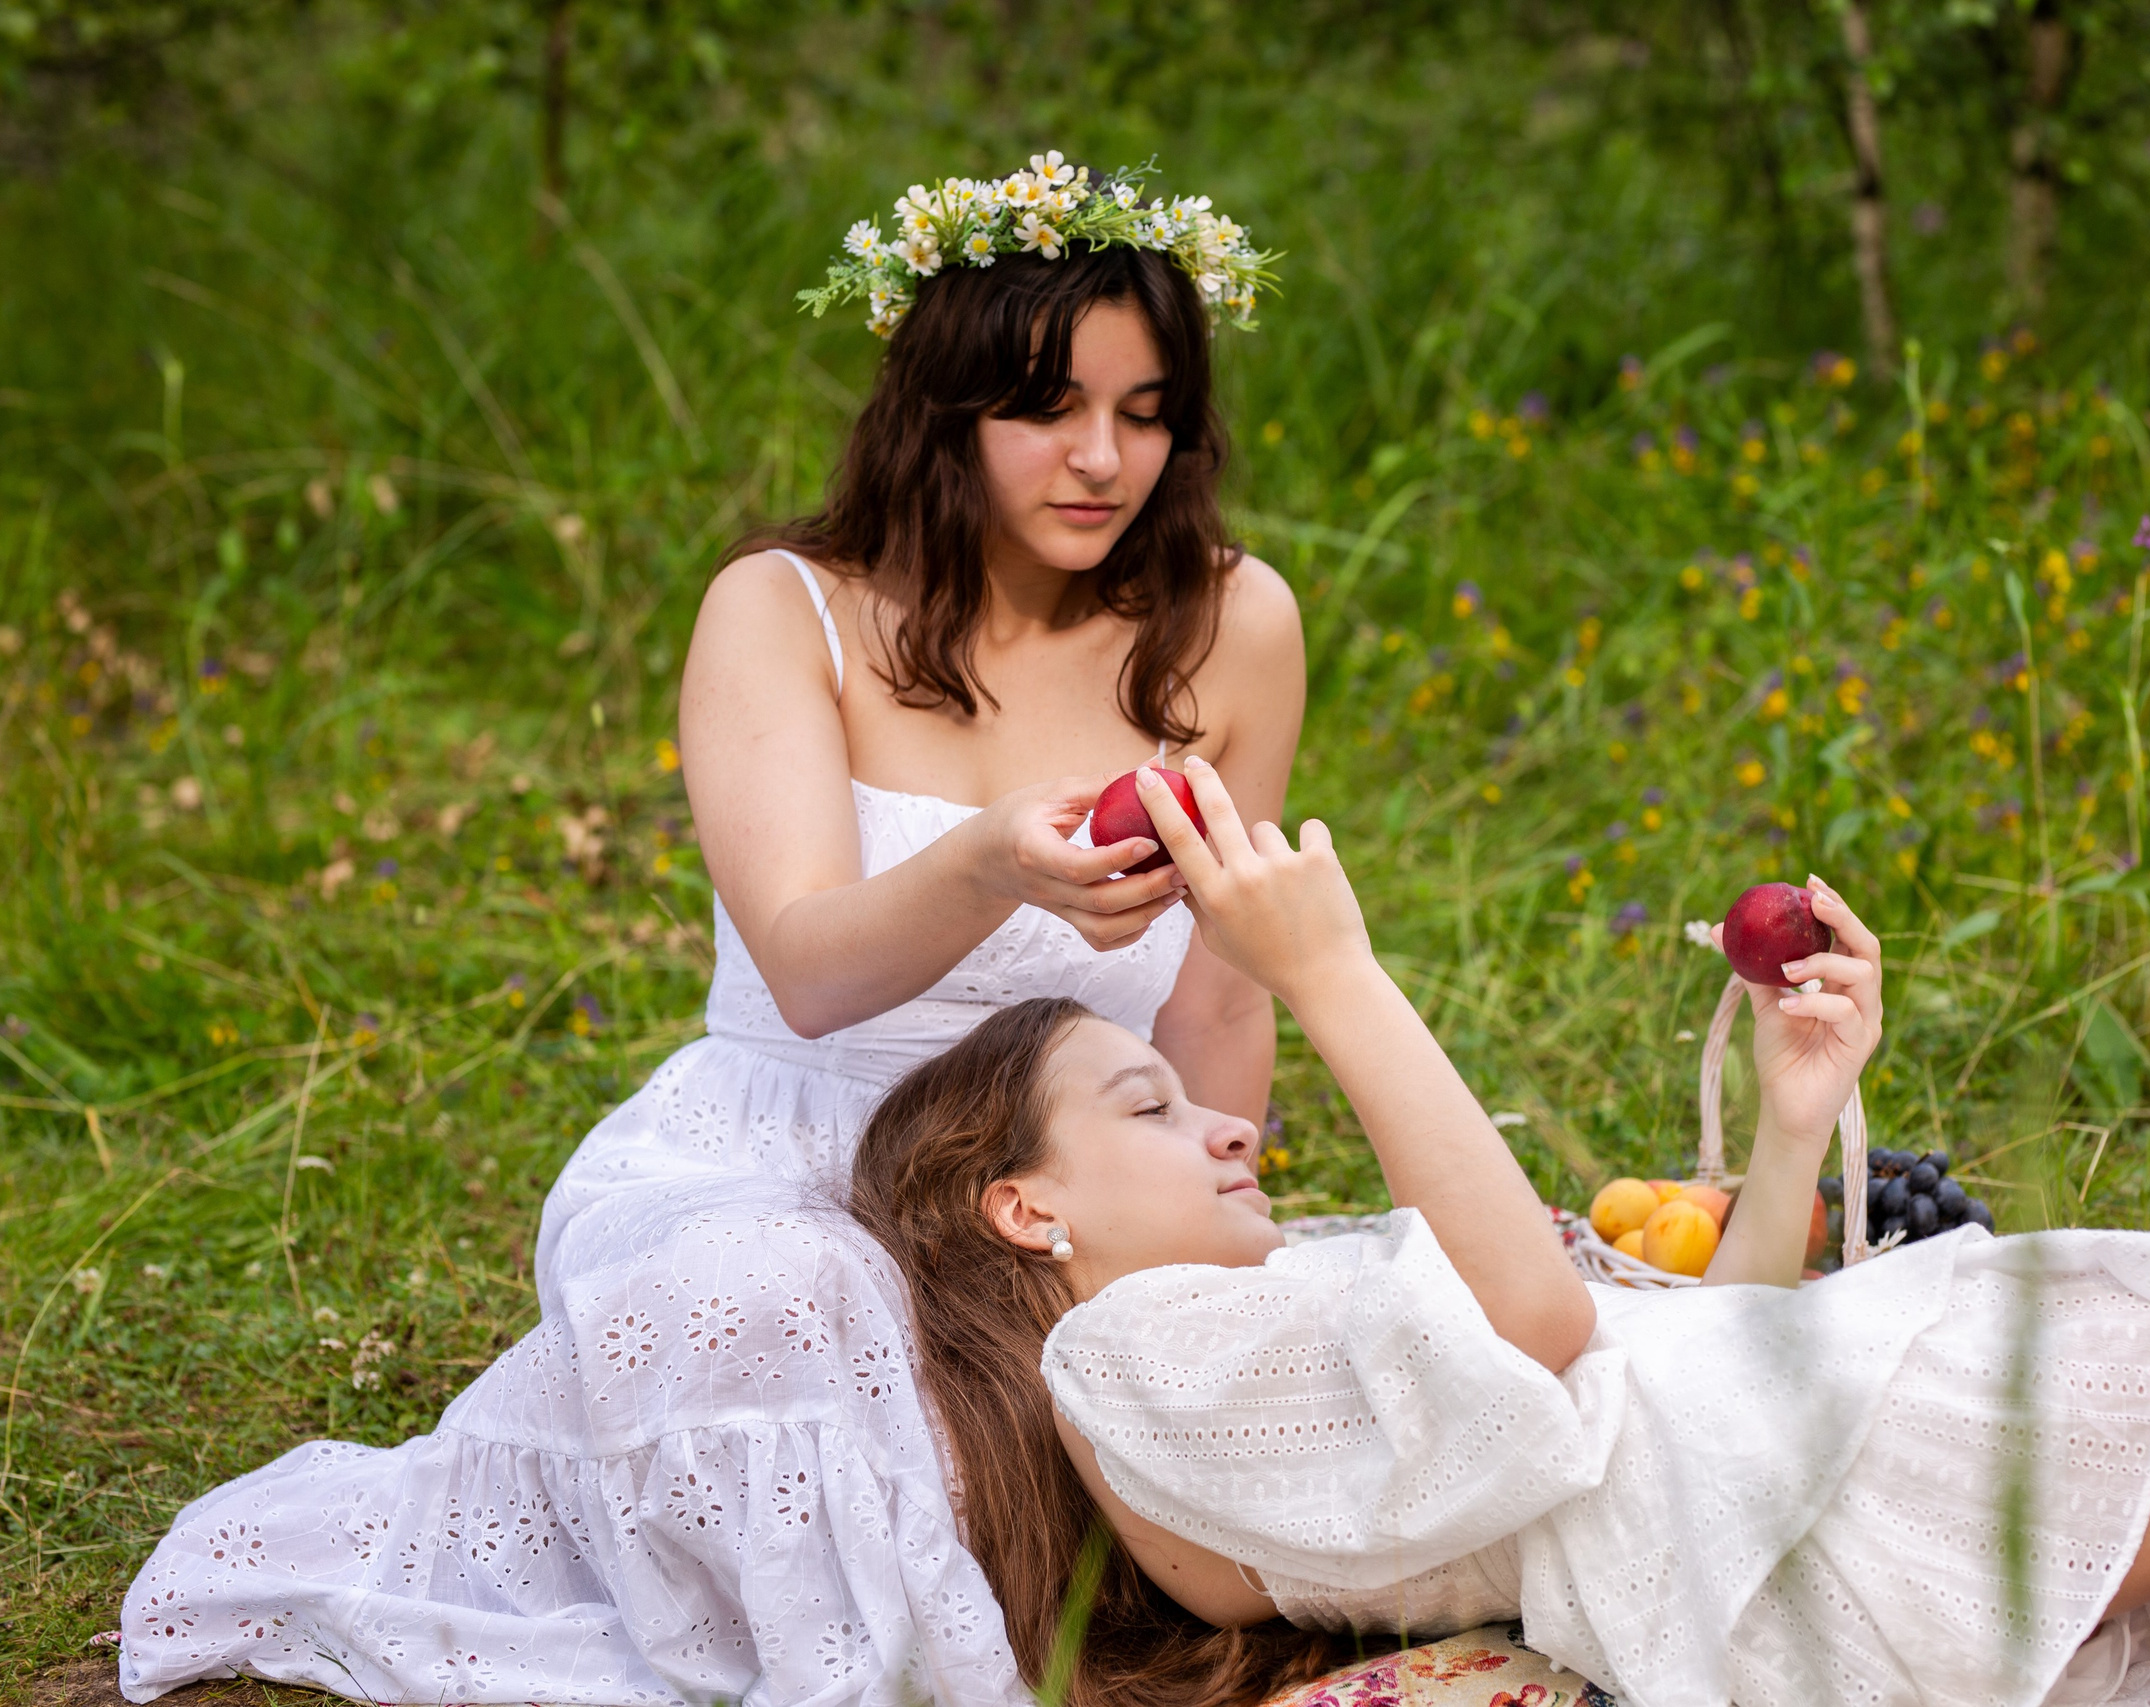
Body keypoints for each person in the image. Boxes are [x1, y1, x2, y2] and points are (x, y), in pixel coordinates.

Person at [118, 157, 1297, 1707]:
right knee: (779, 1310)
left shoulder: (1232, 621)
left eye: (1146, 413)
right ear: (942, 410)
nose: (1103, 459)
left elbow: (1221, 996)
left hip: (1071, 1173)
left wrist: (1208, 1225)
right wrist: (991, 869)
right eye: (1046, 408)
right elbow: (809, 969)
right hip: (796, 1151)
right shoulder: (786, 608)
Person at [848, 760, 2150, 1707]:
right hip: (1876, 1472)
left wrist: (1795, 1125)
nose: (1227, 1124)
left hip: (1820, 1471)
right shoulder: (1123, 1368)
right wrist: (1330, 975)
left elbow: (1655, 1390)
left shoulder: (1236, 1338)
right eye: (1150, 1109)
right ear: (1025, 1208)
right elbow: (1542, 1338)